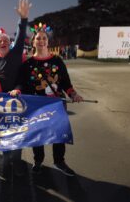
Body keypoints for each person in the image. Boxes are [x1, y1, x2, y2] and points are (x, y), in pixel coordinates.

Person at [10, 25, 83, 177]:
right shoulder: (27, 64)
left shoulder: (57, 61)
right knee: (38, 135)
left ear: (48, 42)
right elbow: (21, 83)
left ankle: (59, 161)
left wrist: (73, 94)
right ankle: (38, 160)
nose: (41, 41)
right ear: (33, 42)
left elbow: (66, 83)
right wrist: (17, 90)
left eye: (44, 38)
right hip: (36, 106)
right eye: (38, 38)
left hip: (56, 104)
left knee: (59, 134)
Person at [0, 0, 31, 176]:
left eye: (5, 40)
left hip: (15, 100)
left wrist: (22, 20)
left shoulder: (15, 54)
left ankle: (17, 160)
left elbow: (21, 36)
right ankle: (7, 161)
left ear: (9, 43)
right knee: (3, 133)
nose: (2, 42)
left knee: (16, 132)